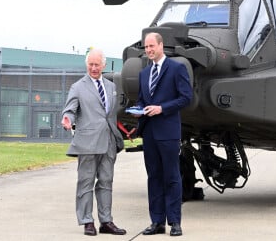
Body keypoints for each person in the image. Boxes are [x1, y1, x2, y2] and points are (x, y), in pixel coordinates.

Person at [133, 32, 193, 237]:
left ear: (161, 45)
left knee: (172, 177)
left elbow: (186, 98)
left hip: (168, 132)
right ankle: (157, 221)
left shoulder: (177, 68)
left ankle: (175, 222)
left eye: (151, 46)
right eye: (145, 47)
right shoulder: (144, 73)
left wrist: (162, 108)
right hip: (149, 132)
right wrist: (138, 109)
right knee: (154, 177)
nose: (148, 50)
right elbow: (142, 100)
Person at [61, 48, 126, 236]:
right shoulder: (78, 87)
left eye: (97, 64)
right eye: (91, 64)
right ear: (86, 65)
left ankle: (106, 221)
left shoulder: (112, 87)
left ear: (103, 65)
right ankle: (87, 221)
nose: (94, 68)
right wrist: (67, 119)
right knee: (86, 182)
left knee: (106, 182)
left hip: (108, 142)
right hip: (87, 143)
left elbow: (111, 114)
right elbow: (70, 110)